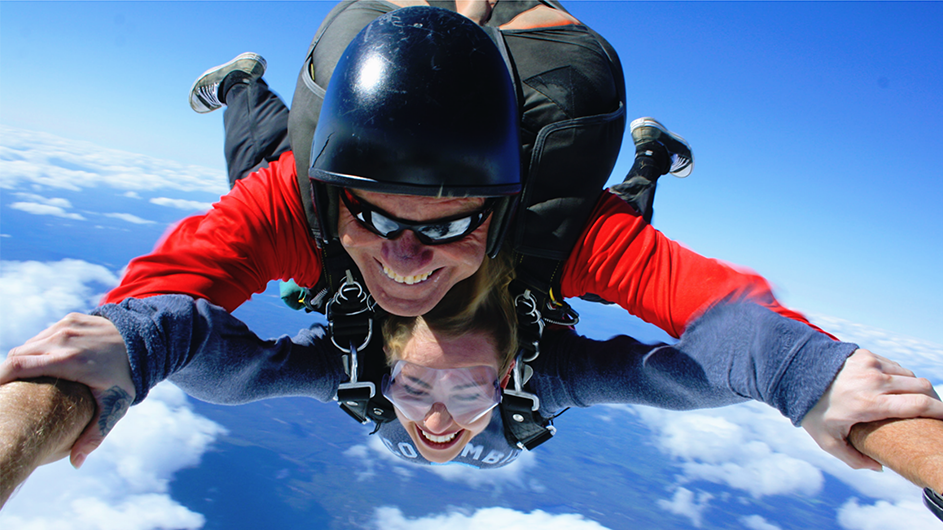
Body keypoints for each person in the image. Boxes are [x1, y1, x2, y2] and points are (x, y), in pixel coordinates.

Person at [2, 4, 941, 474]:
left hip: (527, 246)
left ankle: (642, 156)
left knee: (614, 221)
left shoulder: (540, 238)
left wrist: (801, 374)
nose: (405, 255)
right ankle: (251, 82)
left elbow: (220, 360)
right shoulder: (302, 202)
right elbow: (685, 369)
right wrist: (808, 380)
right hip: (407, 231)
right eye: (372, 212)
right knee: (261, 161)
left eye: (446, 224)